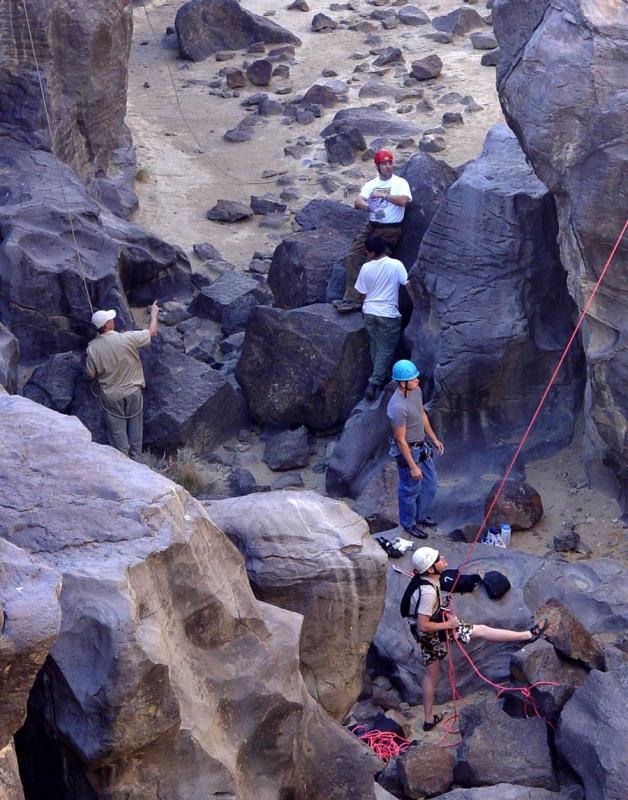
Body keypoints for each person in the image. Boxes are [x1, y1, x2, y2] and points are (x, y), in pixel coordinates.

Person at [406, 547, 549, 732]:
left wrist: (441, 610)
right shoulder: (428, 592)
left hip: (430, 630)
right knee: (480, 631)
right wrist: (448, 625)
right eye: (438, 559)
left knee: (431, 675)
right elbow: (423, 625)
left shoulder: (425, 580)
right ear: (431, 569)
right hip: (431, 633)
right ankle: (528, 635)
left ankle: (428, 719)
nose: (442, 558)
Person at [334, 149, 412, 314]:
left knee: (376, 264)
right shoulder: (370, 184)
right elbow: (357, 201)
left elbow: (404, 201)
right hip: (371, 226)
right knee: (353, 257)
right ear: (377, 166)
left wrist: (382, 196)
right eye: (384, 164)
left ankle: (370, 302)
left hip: (389, 229)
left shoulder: (400, 183)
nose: (388, 166)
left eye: (390, 163)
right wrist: (369, 206)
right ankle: (352, 299)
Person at [86, 302, 160, 459]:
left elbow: (91, 374)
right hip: (133, 392)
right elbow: (152, 332)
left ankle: (122, 460)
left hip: (111, 397)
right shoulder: (127, 338)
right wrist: (154, 314)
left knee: (117, 432)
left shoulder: (92, 348)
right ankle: (137, 458)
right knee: (135, 426)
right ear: (107, 325)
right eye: (111, 320)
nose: (113, 320)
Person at [387, 359, 443, 538]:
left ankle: (420, 516)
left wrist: (433, 438)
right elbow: (401, 440)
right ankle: (408, 523)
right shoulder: (397, 407)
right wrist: (412, 466)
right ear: (402, 383)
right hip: (408, 451)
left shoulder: (416, 392)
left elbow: (421, 414)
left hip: (421, 445)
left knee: (430, 484)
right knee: (409, 490)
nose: (417, 380)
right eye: (413, 379)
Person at [355, 235, 415, 400]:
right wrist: (416, 303)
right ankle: (374, 382)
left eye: (367, 252)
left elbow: (362, 294)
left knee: (376, 347)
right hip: (388, 314)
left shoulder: (366, 268)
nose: (366, 254)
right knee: (386, 348)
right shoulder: (396, 265)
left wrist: (364, 307)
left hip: (369, 312)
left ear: (372, 251)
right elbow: (408, 285)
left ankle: (381, 378)